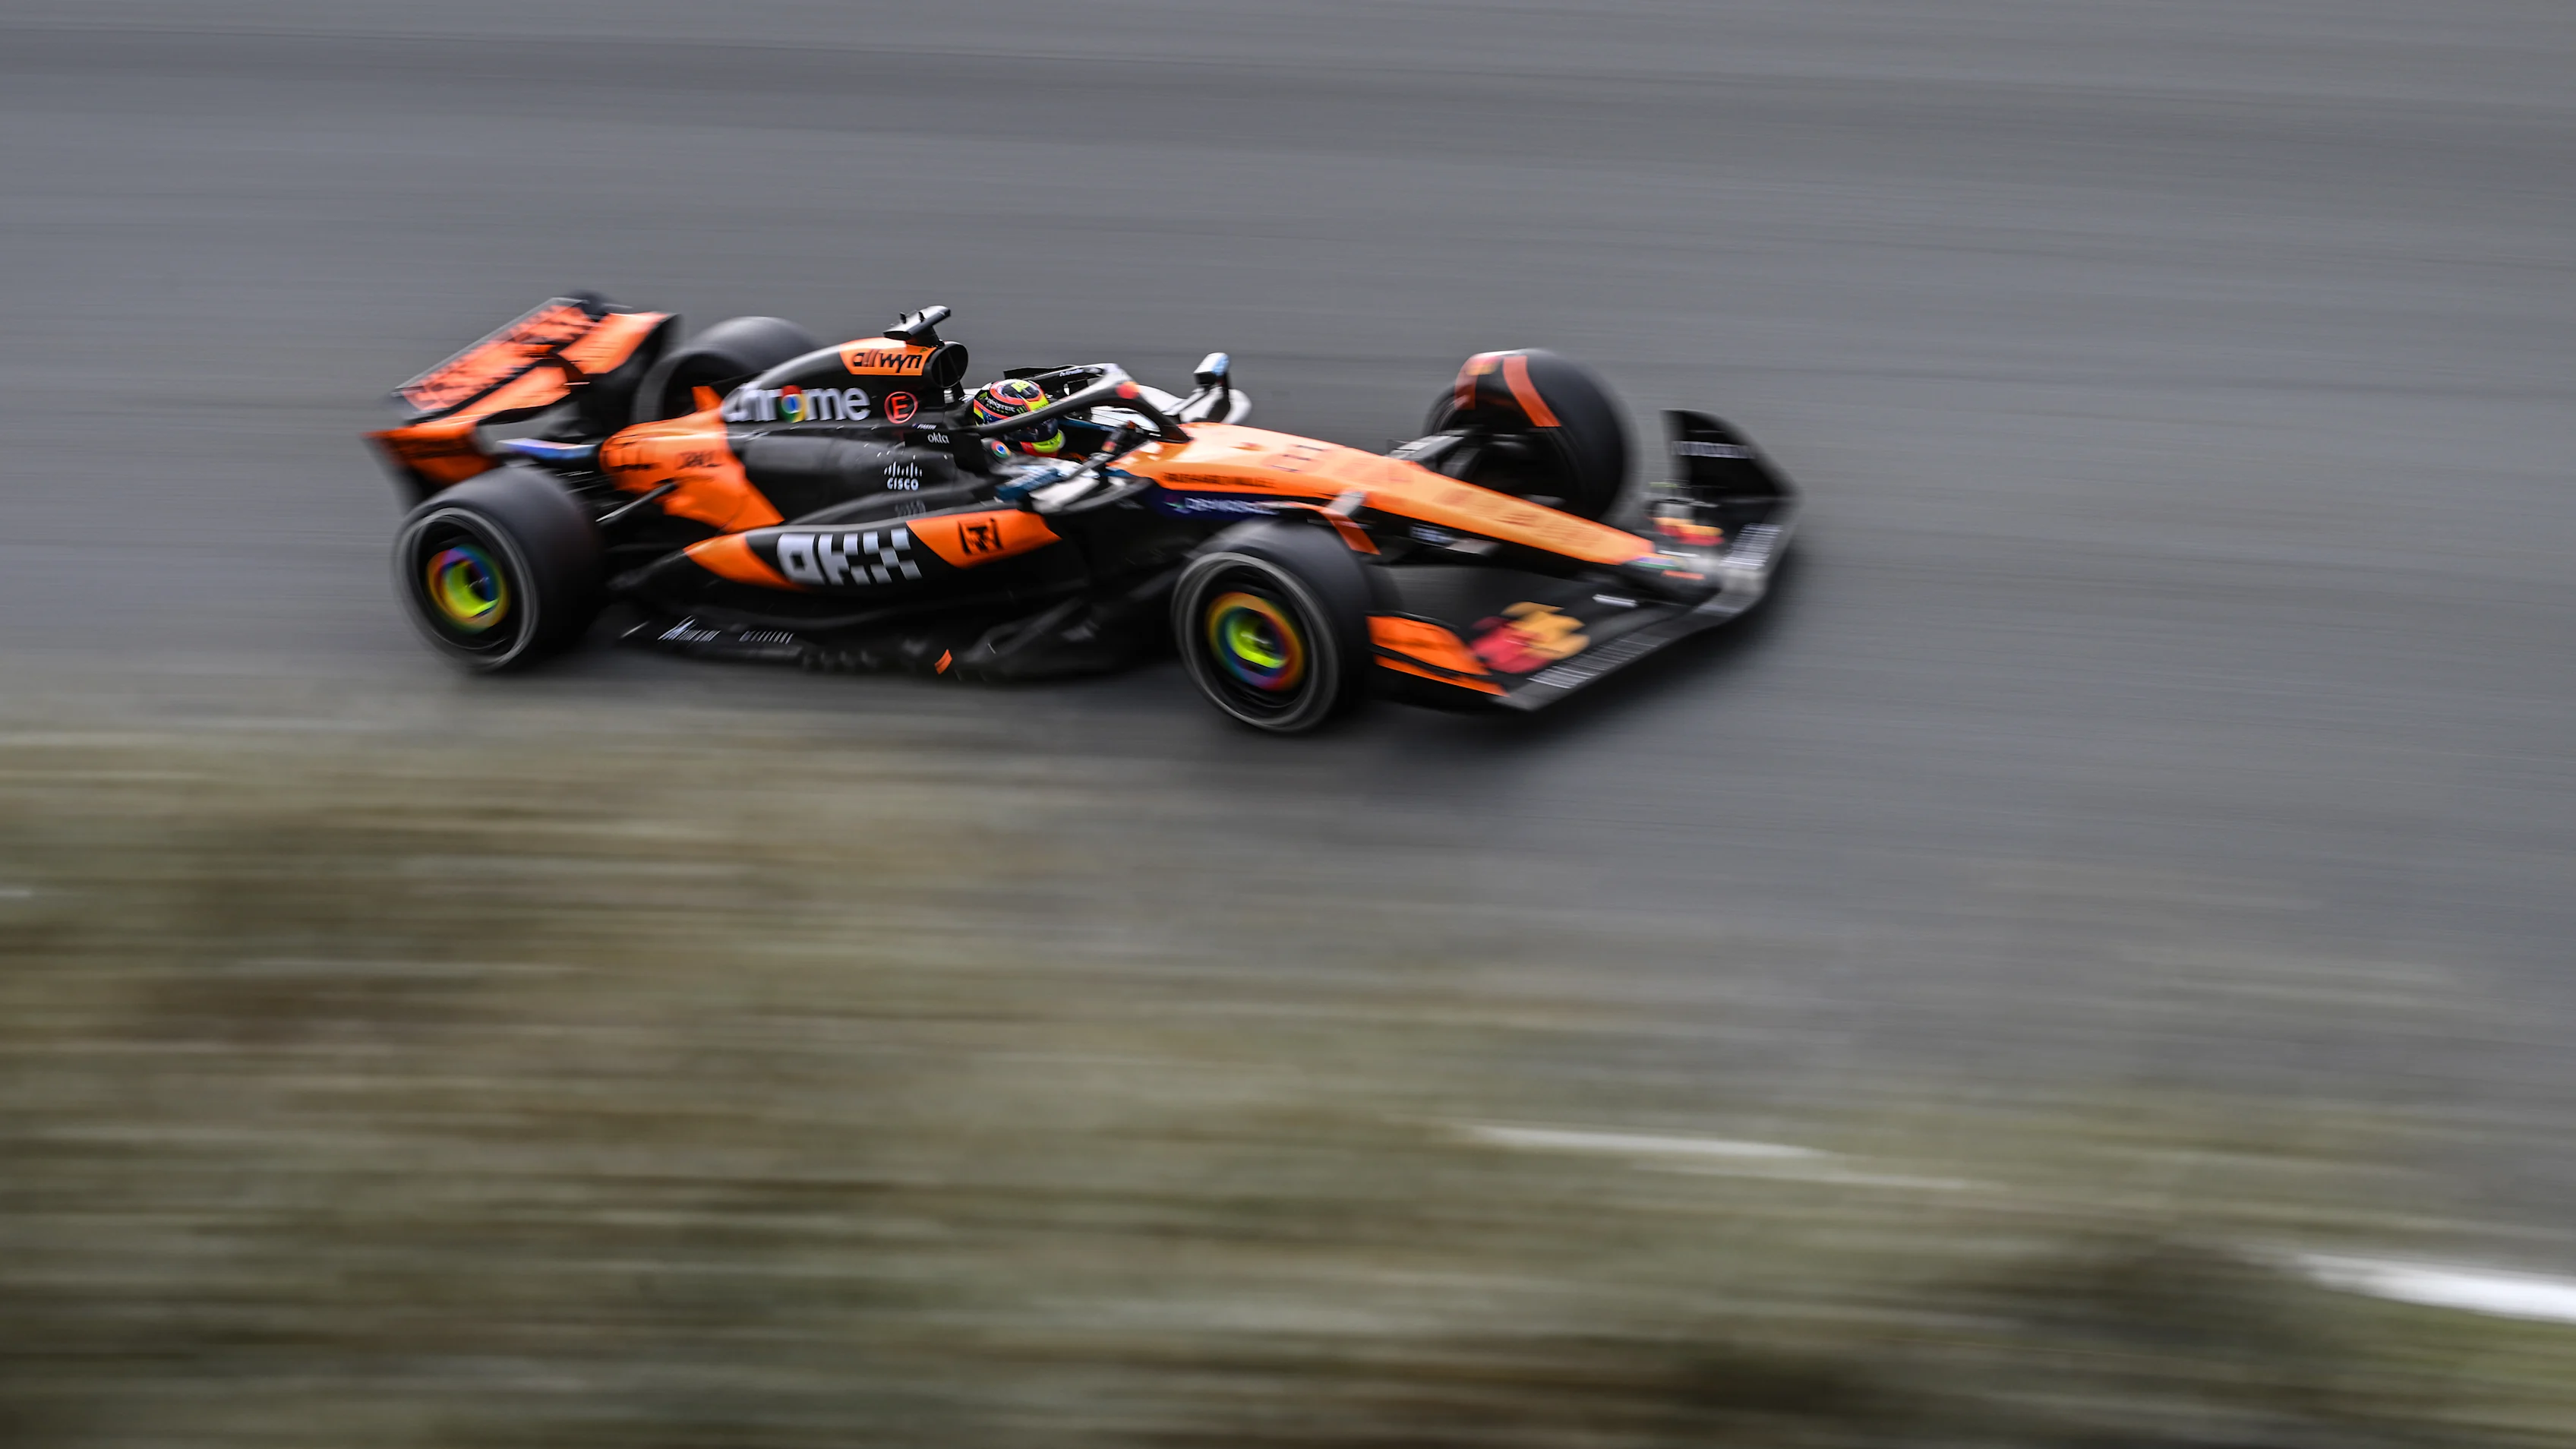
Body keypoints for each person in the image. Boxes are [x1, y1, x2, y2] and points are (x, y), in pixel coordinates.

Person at [968, 377, 1113, 461]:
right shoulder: (988, 464)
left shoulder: (1071, 457)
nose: (1043, 429)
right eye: (1029, 428)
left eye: (1046, 420)